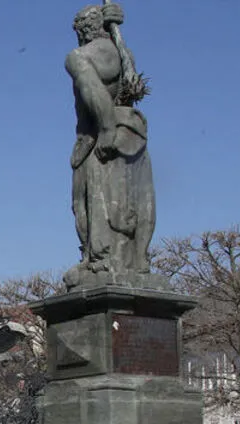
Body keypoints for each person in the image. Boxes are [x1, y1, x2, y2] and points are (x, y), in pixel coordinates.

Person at [65, 2, 155, 289]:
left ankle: (97, 260)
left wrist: (105, 130)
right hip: (131, 133)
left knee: (88, 203)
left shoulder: (79, 56)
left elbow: (92, 91)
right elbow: (131, 83)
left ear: (83, 30)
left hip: (97, 138)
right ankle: (138, 261)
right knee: (137, 202)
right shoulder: (121, 55)